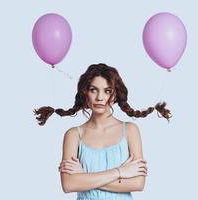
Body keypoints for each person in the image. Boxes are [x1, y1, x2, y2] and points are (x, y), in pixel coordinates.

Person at [33, 63, 172, 199]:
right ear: (85, 93)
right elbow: (69, 184)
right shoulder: (73, 135)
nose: (100, 97)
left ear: (115, 95)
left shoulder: (130, 130)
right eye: (93, 90)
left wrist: (84, 179)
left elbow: (138, 183)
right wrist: (121, 172)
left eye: (107, 91)